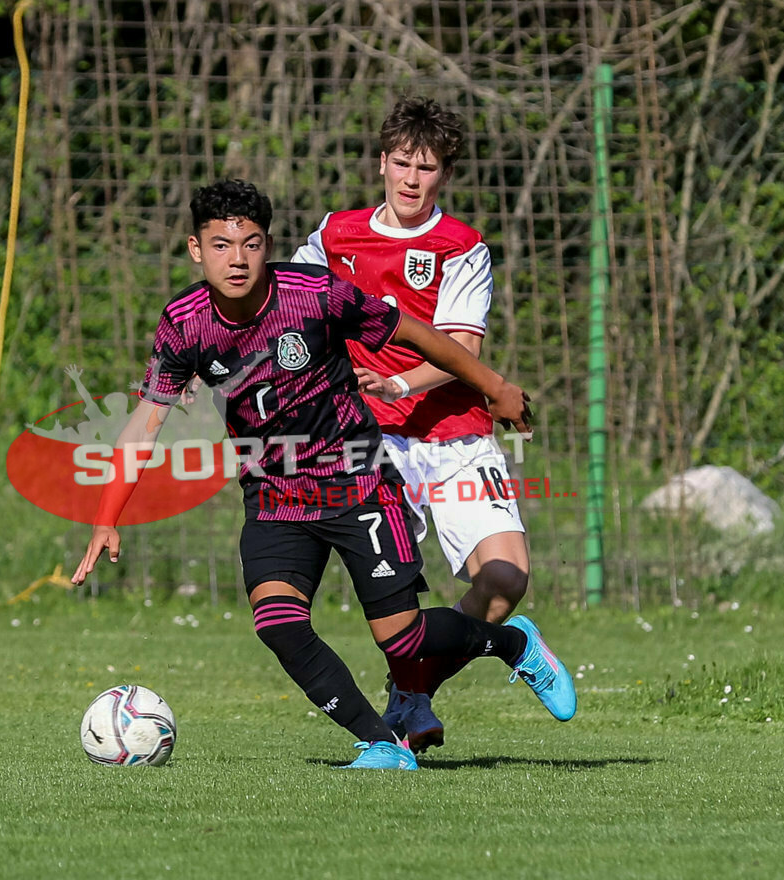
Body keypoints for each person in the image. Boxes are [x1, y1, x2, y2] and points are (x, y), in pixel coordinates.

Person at [71, 179, 575, 770]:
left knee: (402, 641)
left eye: (251, 244)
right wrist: (108, 517)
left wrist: (495, 387)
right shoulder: (183, 323)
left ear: (267, 245)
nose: (237, 260)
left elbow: (415, 334)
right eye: (221, 245)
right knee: (278, 621)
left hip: (355, 479)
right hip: (274, 494)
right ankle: (381, 744)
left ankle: (512, 642)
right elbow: (144, 423)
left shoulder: (313, 294)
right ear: (194, 248)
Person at [292, 96, 557, 753]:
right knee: (396, 599)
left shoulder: (461, 247)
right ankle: (408, 700)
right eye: (403, 162)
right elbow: (292, 305)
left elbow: (460, 346)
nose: (412, 178)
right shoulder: (335, 234)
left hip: (455, 435)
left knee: (505, 579)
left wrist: (402, 380)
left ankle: (415, 691)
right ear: (382, 162)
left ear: (445, 174)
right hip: (370, 441)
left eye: (428, 166)